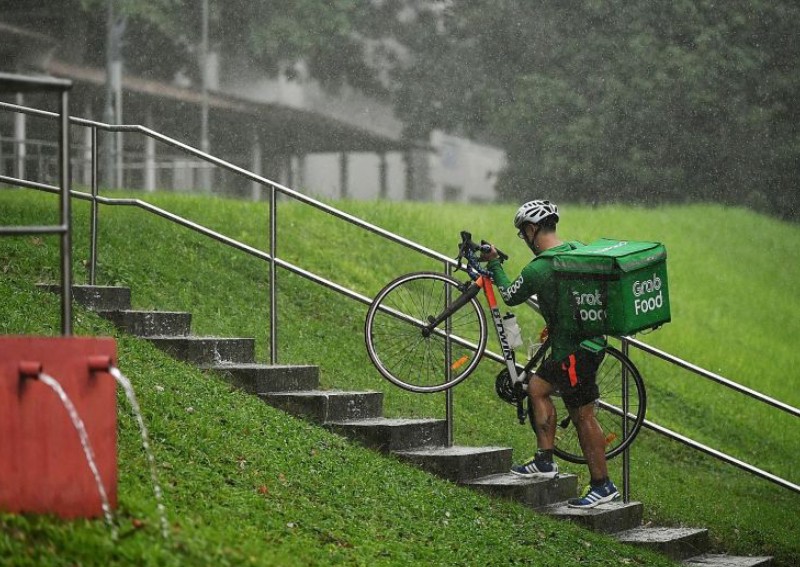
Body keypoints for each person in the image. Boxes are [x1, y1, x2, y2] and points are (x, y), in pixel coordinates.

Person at [480, 199, 620, 508]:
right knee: (537, 388)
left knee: (583, 416)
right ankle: (544, 460)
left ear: (531, 229)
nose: (524, 239)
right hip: (584, 344)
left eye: (522, 233)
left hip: (575, 353)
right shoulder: (577, 250)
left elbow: (510, 295)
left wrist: (494, 264)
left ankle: (603, 484)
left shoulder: (540, 268)